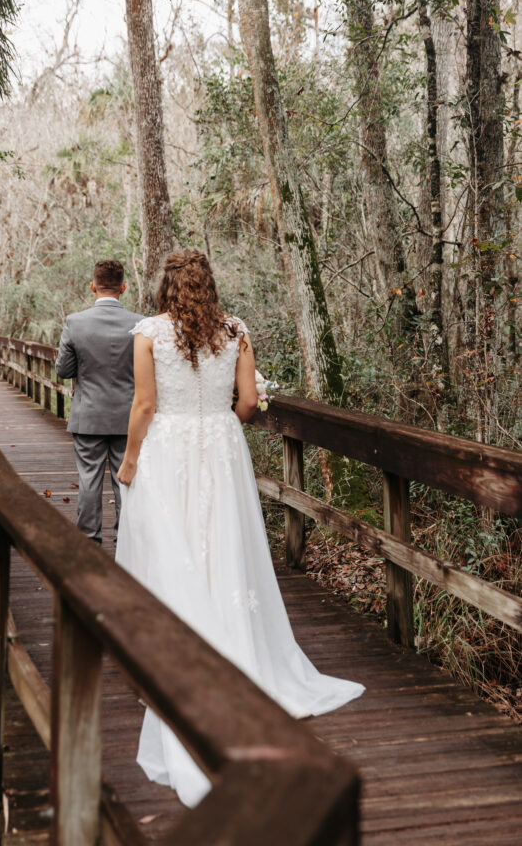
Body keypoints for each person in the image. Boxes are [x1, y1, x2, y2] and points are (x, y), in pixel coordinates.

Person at [115, 249, 365, 807]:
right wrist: (224, 414)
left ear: (165, 285)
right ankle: (238, 653)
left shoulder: (148, 332)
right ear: (209, 284)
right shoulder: (235, 330)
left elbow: (145, 404)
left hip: (170, 449)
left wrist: (131, 460)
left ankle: (177, 656)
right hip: (220, 447)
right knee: (222, 544)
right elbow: (249, 404)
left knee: (172, 545)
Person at [55, 260, 143, 545]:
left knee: (89, 479)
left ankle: (89, 538)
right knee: (126, 478)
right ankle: (125, 537)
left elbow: (63, 370)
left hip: (88, 415)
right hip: (128, 417)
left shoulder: (75, 322)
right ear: (123, 288)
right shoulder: (140, 324)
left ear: (93, 286)